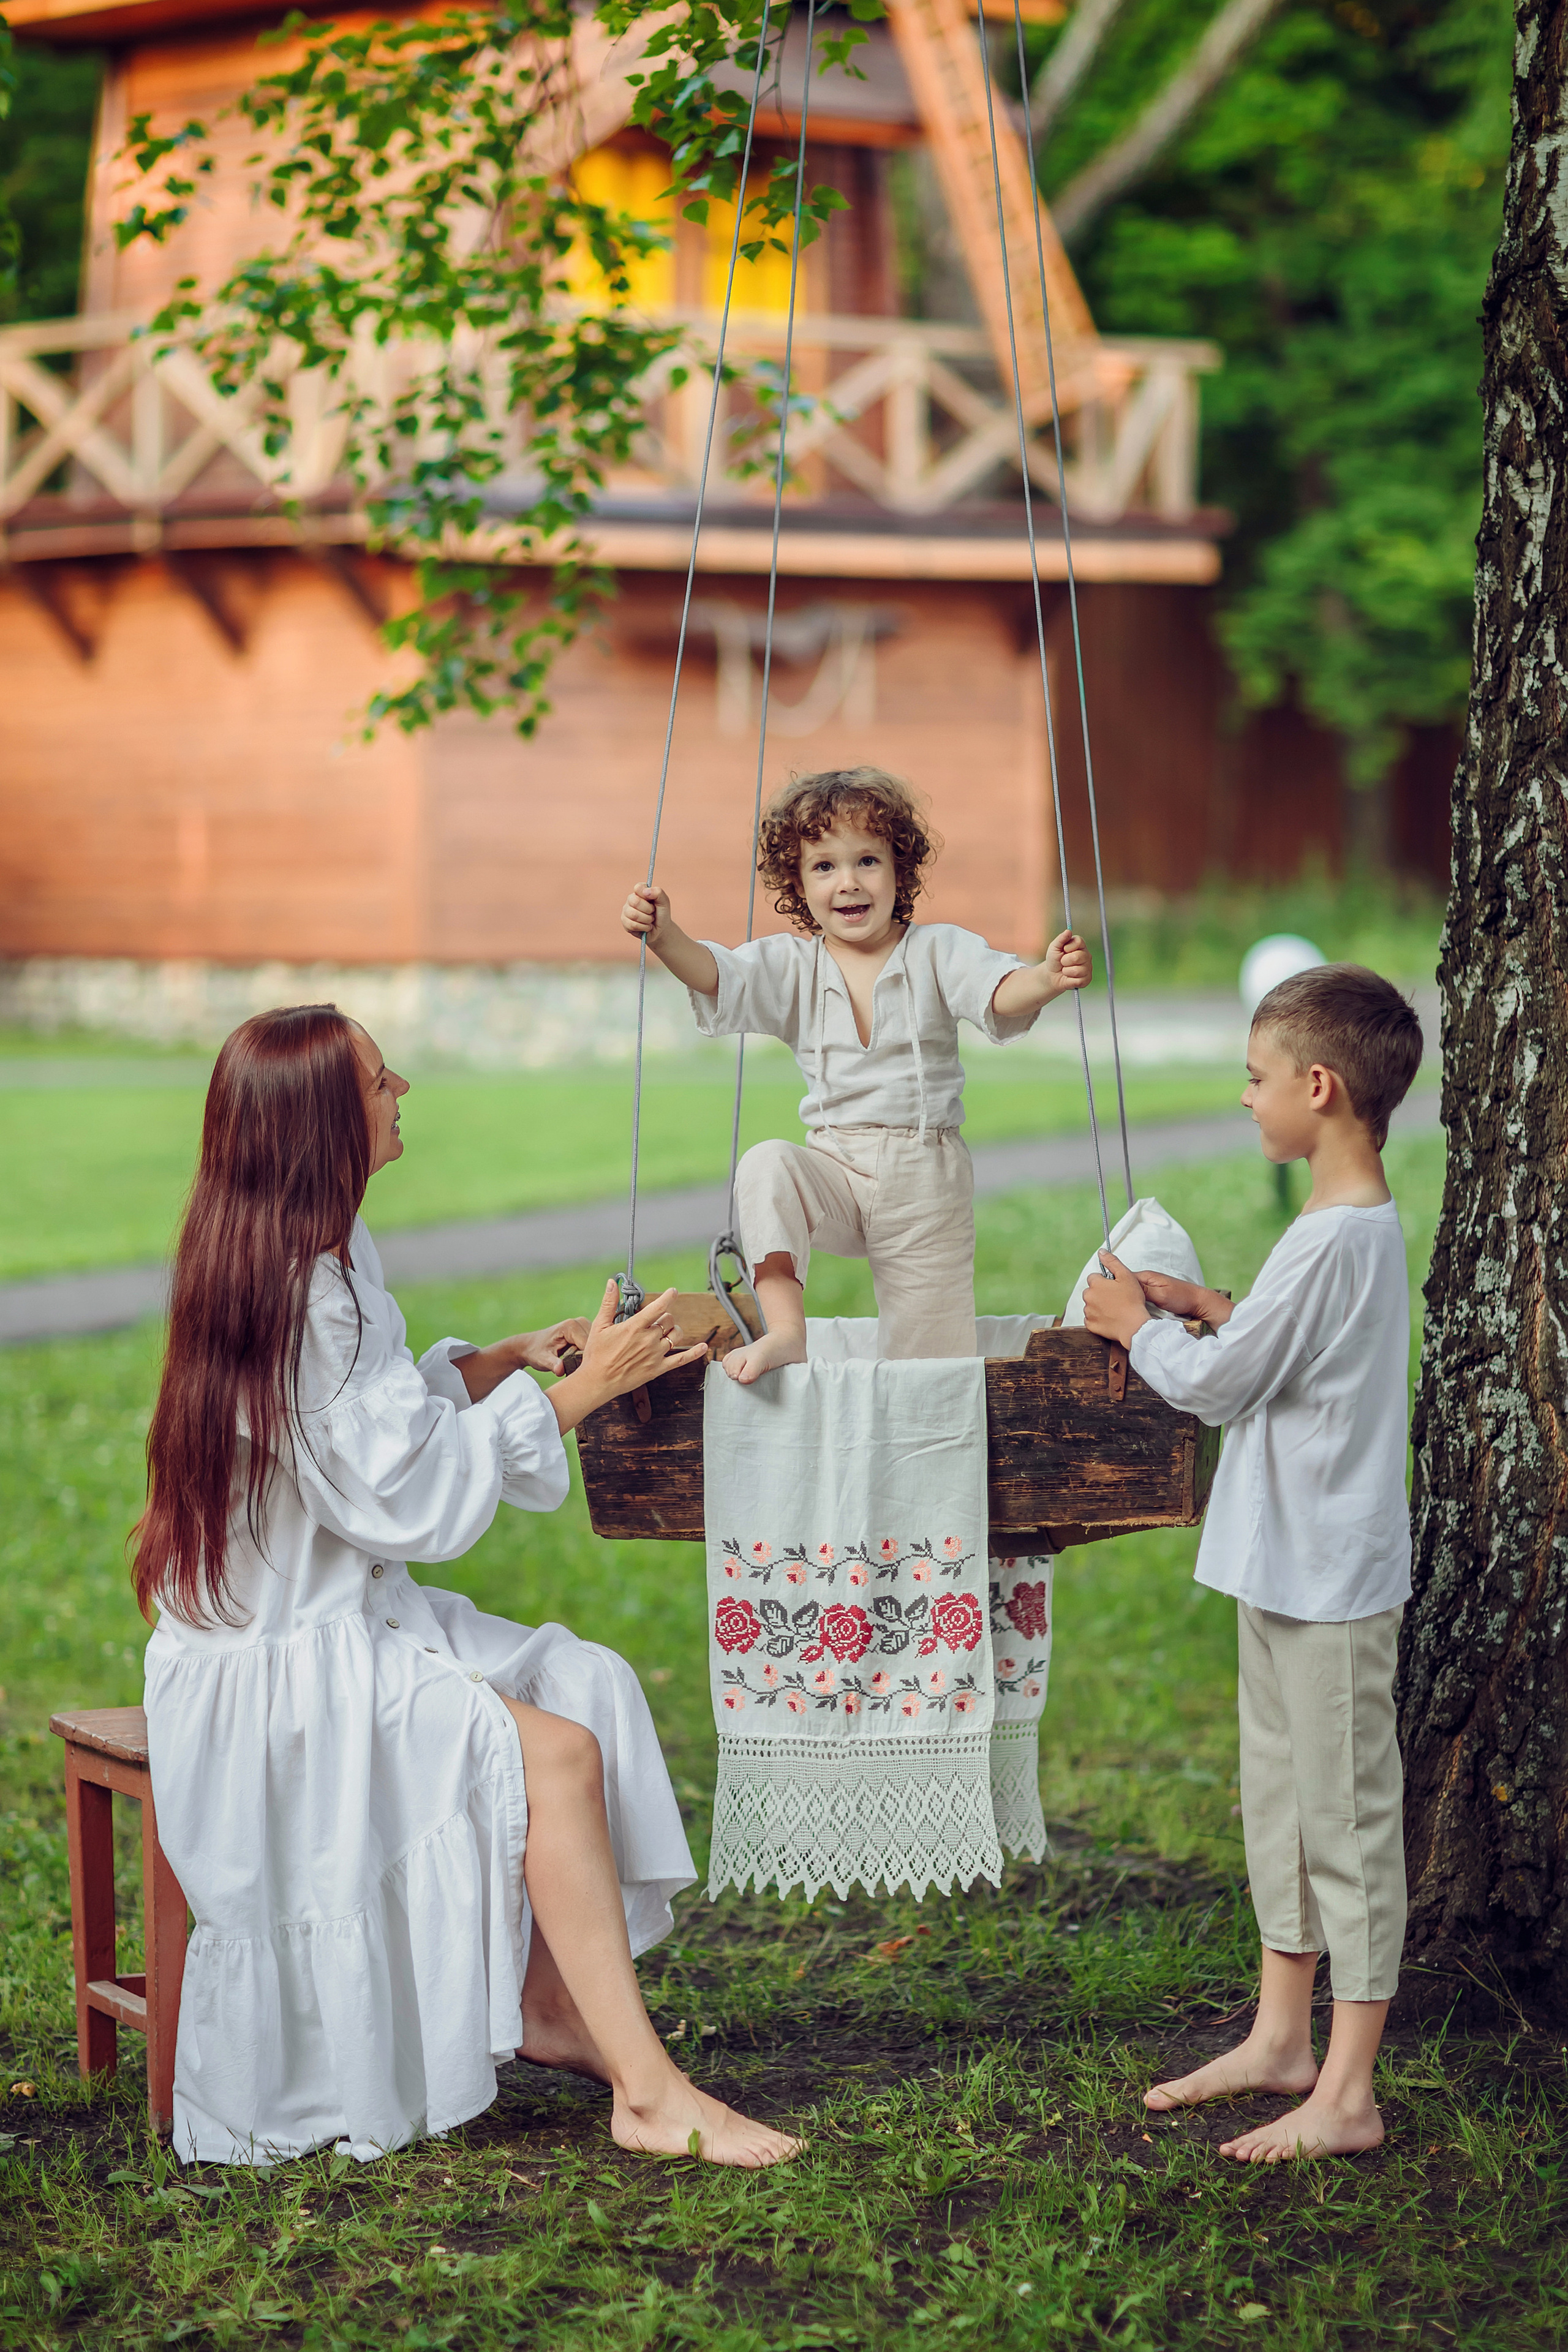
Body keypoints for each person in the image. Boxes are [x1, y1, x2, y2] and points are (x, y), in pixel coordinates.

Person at [133, 1004, 801, 2170]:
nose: (404, 1099)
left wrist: (493, 1365)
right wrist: (586, 1392)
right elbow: (408, 1499)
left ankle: (551, 2012)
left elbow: (364, 1431)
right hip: (286, 1667)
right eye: (382, 1085)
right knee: (556, 1755)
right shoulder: (302, 1298)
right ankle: (650, 2094)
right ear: (321, 1127)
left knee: (581, 1682)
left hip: (337, 1615)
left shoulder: (317, 1254)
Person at [1082, 963, 1422, 2163]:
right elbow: (1279, 1341)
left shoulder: (1335, 1239)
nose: (1243, 1098)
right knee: (1279, 1807)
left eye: (1254, 1076)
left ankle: (1347, 2090)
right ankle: (1281, 2038)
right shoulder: (1331, 1229)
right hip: (1279, 1568)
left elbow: (1225, 1387)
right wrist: (1199, 1298)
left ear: (1316, 1088)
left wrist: (1139, 1330)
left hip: (1329, 1582)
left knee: (1343, 1819)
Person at [620, 765, 1091, 1378]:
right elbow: (720, 975)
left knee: (929, 1367)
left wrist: (1046, 980)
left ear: (900, 869)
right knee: (766, 1164)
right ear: (798, 882)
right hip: (835, 1171)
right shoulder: (793, 966)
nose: (848, 882)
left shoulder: (937, 950)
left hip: (925, 1182)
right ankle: (787, 1332)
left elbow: (996, 990)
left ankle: (923, 1452)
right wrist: (665, 936)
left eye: (867, 861)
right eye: (824, 866)